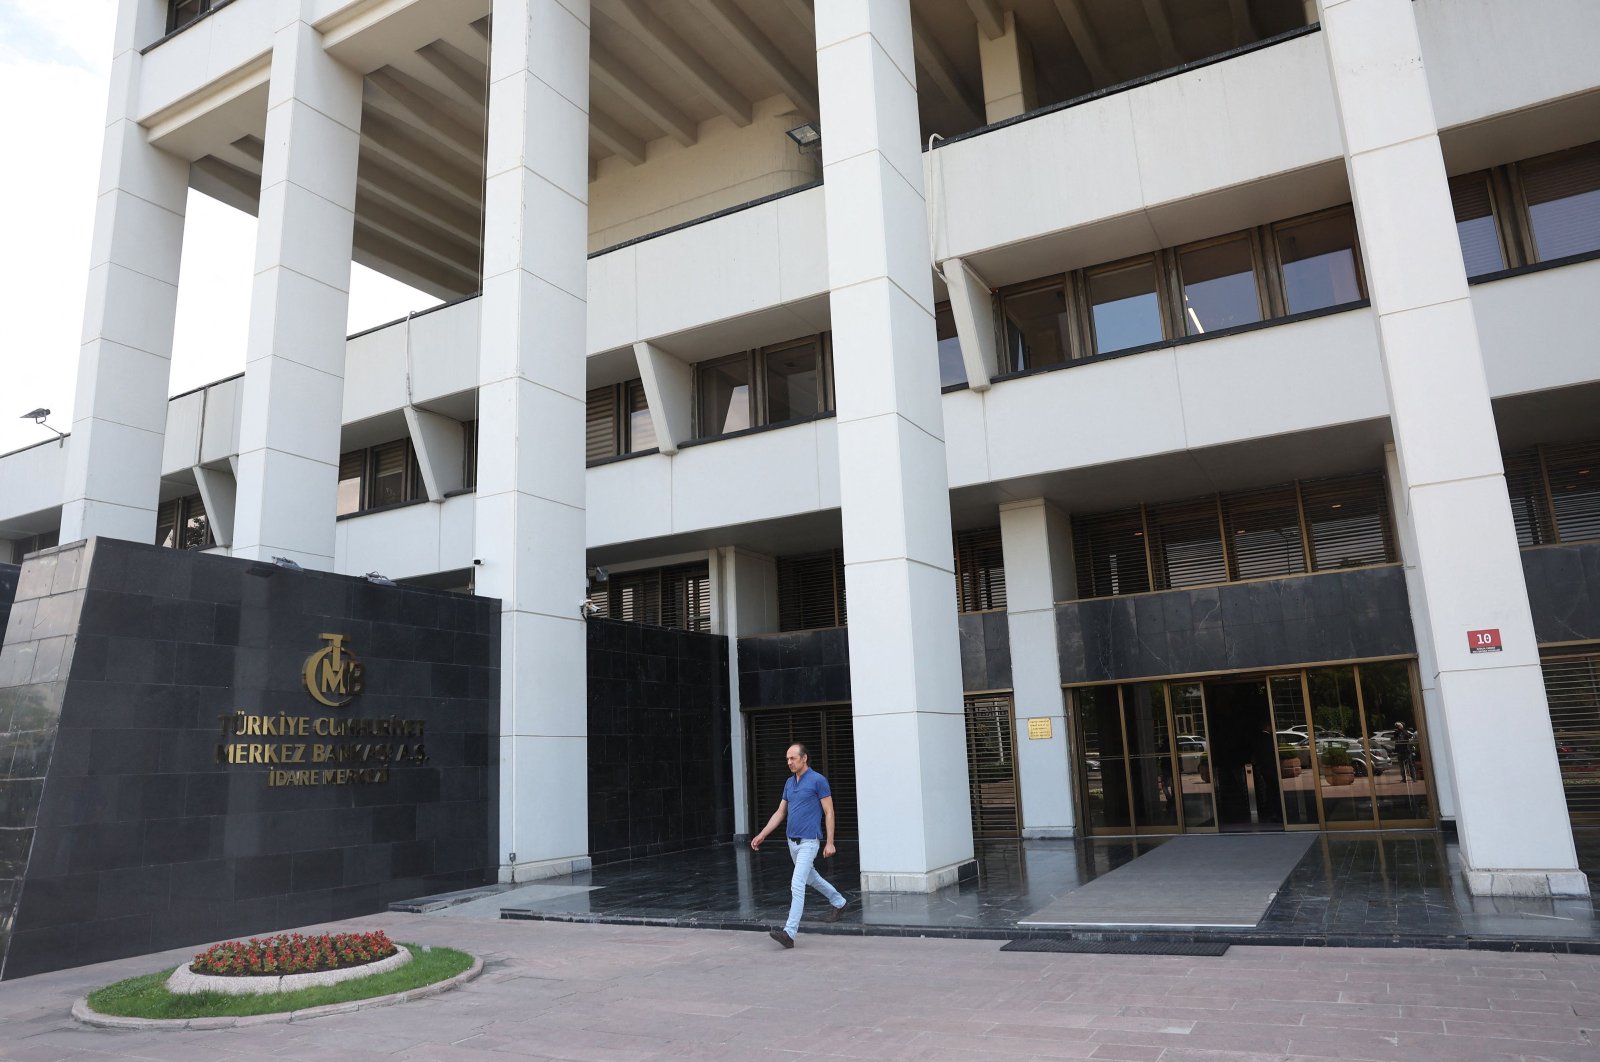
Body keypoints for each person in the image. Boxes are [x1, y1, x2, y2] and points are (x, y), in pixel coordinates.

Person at [750, 743, 847, 948]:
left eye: (793, 758)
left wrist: (829, 842)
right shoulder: (788, 783)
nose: (789, 762)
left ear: (804, 758)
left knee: (797, 883)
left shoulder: (818, 781)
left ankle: (789, 933)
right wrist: (762, 834)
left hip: (809, 842)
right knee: (811, 878)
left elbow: (829, 812)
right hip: (791, 842)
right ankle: (839, 902)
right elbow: (780, 812)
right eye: (787, 759)